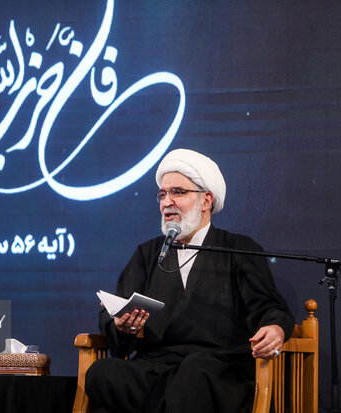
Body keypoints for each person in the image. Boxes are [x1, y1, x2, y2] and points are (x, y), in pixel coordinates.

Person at [85, 148, 295, 413]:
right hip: (156, 367)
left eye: (178, 192)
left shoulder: (238, 249)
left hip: (217, 368)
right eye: (162, 194)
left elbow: (269, 307)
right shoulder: (147, 253)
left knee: (193, 375)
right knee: (103, 373)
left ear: (206, 200)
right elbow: (115, 311)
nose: (166, 202)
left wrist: (275, 328)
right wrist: (122, 326)